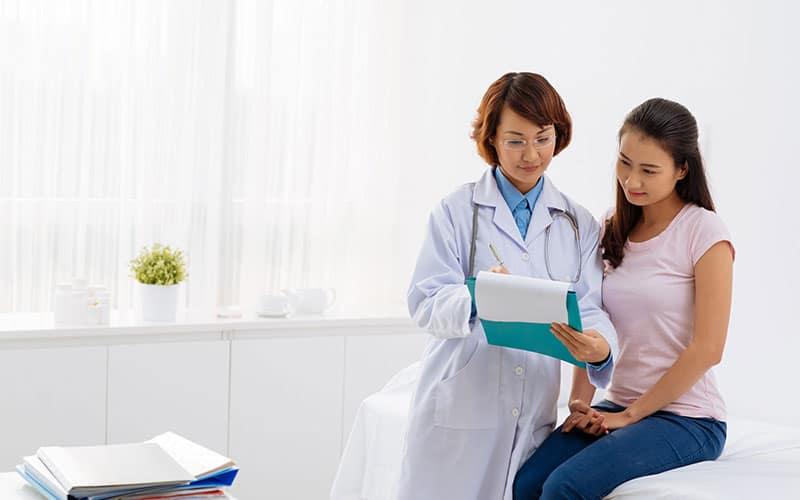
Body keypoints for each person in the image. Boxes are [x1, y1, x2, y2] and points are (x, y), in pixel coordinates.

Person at [395, 72, 618, 500]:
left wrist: (600, 347)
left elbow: (589, 307)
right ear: (492, 138)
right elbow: (425, 300)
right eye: (515, 140)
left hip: (531, 409)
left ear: (559, 136)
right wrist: (477, 295)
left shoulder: (578, 223)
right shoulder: (457, 211)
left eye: (543, 138)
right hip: (461, 401)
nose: (531, 154)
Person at [512, 97, 734, 500]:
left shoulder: (704, 231)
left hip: (688, 419)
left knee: (565, 486)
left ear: (682, 170)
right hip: (617, 407)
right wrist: (581, 405)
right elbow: (590, 321)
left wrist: (629, 416)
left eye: (649, 170)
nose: (632, 180)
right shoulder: (610, 229)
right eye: (625, 162)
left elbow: (708, 349)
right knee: (526, 484)